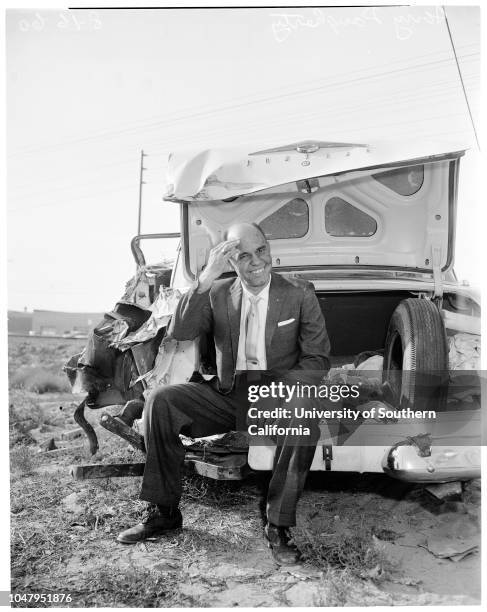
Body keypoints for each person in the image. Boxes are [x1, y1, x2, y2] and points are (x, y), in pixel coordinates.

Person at [117, 222, 331, 564]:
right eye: (243, 256)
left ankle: (278, 525)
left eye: (261, 251)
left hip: (279, 395)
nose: (256, 262)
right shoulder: (218, 292)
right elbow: (180, 331)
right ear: (231, 261)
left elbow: (317, 359)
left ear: (269, 249)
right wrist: (205, 278)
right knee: (161, 402)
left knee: (303, 410)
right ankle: (164, 512)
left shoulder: (299, 293)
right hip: (230, 394)